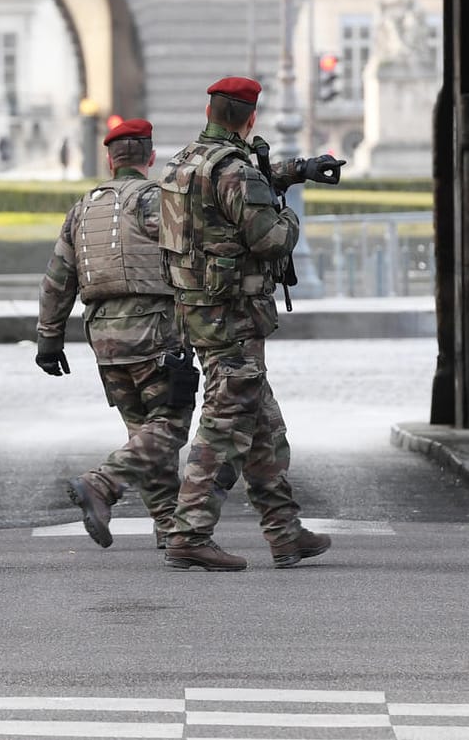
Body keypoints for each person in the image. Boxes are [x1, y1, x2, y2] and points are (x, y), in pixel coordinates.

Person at [156, 76, 345, 571]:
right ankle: (189, 533)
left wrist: (295, 171)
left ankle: (285, 533)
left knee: (264, 428)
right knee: (225, 426)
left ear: (211, 112)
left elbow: (226, 198)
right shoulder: (235, 170)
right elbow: (269, 238)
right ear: (250, 117)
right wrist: (291, 220)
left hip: (197, 311)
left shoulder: (183, 163)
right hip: (234, 318)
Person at [36, 118, 199, 552]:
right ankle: (102, 483)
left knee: (143, 433)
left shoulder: (83, 208)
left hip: (104, 340)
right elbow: (190, 262)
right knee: (169, 425)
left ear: (111, 159)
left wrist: (48, 339)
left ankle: (169, 526)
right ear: (150, 157)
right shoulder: (158, 201)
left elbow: (58, 279)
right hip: (155, 334)